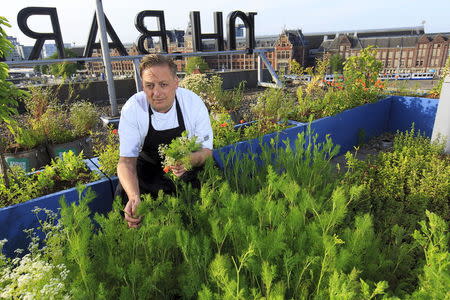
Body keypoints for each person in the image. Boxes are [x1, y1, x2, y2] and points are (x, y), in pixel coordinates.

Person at [116, 54, 213, 228]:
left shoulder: (193, 104)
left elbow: (206, 151)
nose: (156, 93)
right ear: (142, 85)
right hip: (148, 175)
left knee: (200, 219)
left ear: (176, 83)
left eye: (163, 84)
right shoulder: (133, 108)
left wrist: (189, 160)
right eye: (149, 86)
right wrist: (134, 197)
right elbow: (126, 162)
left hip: (186, 171)